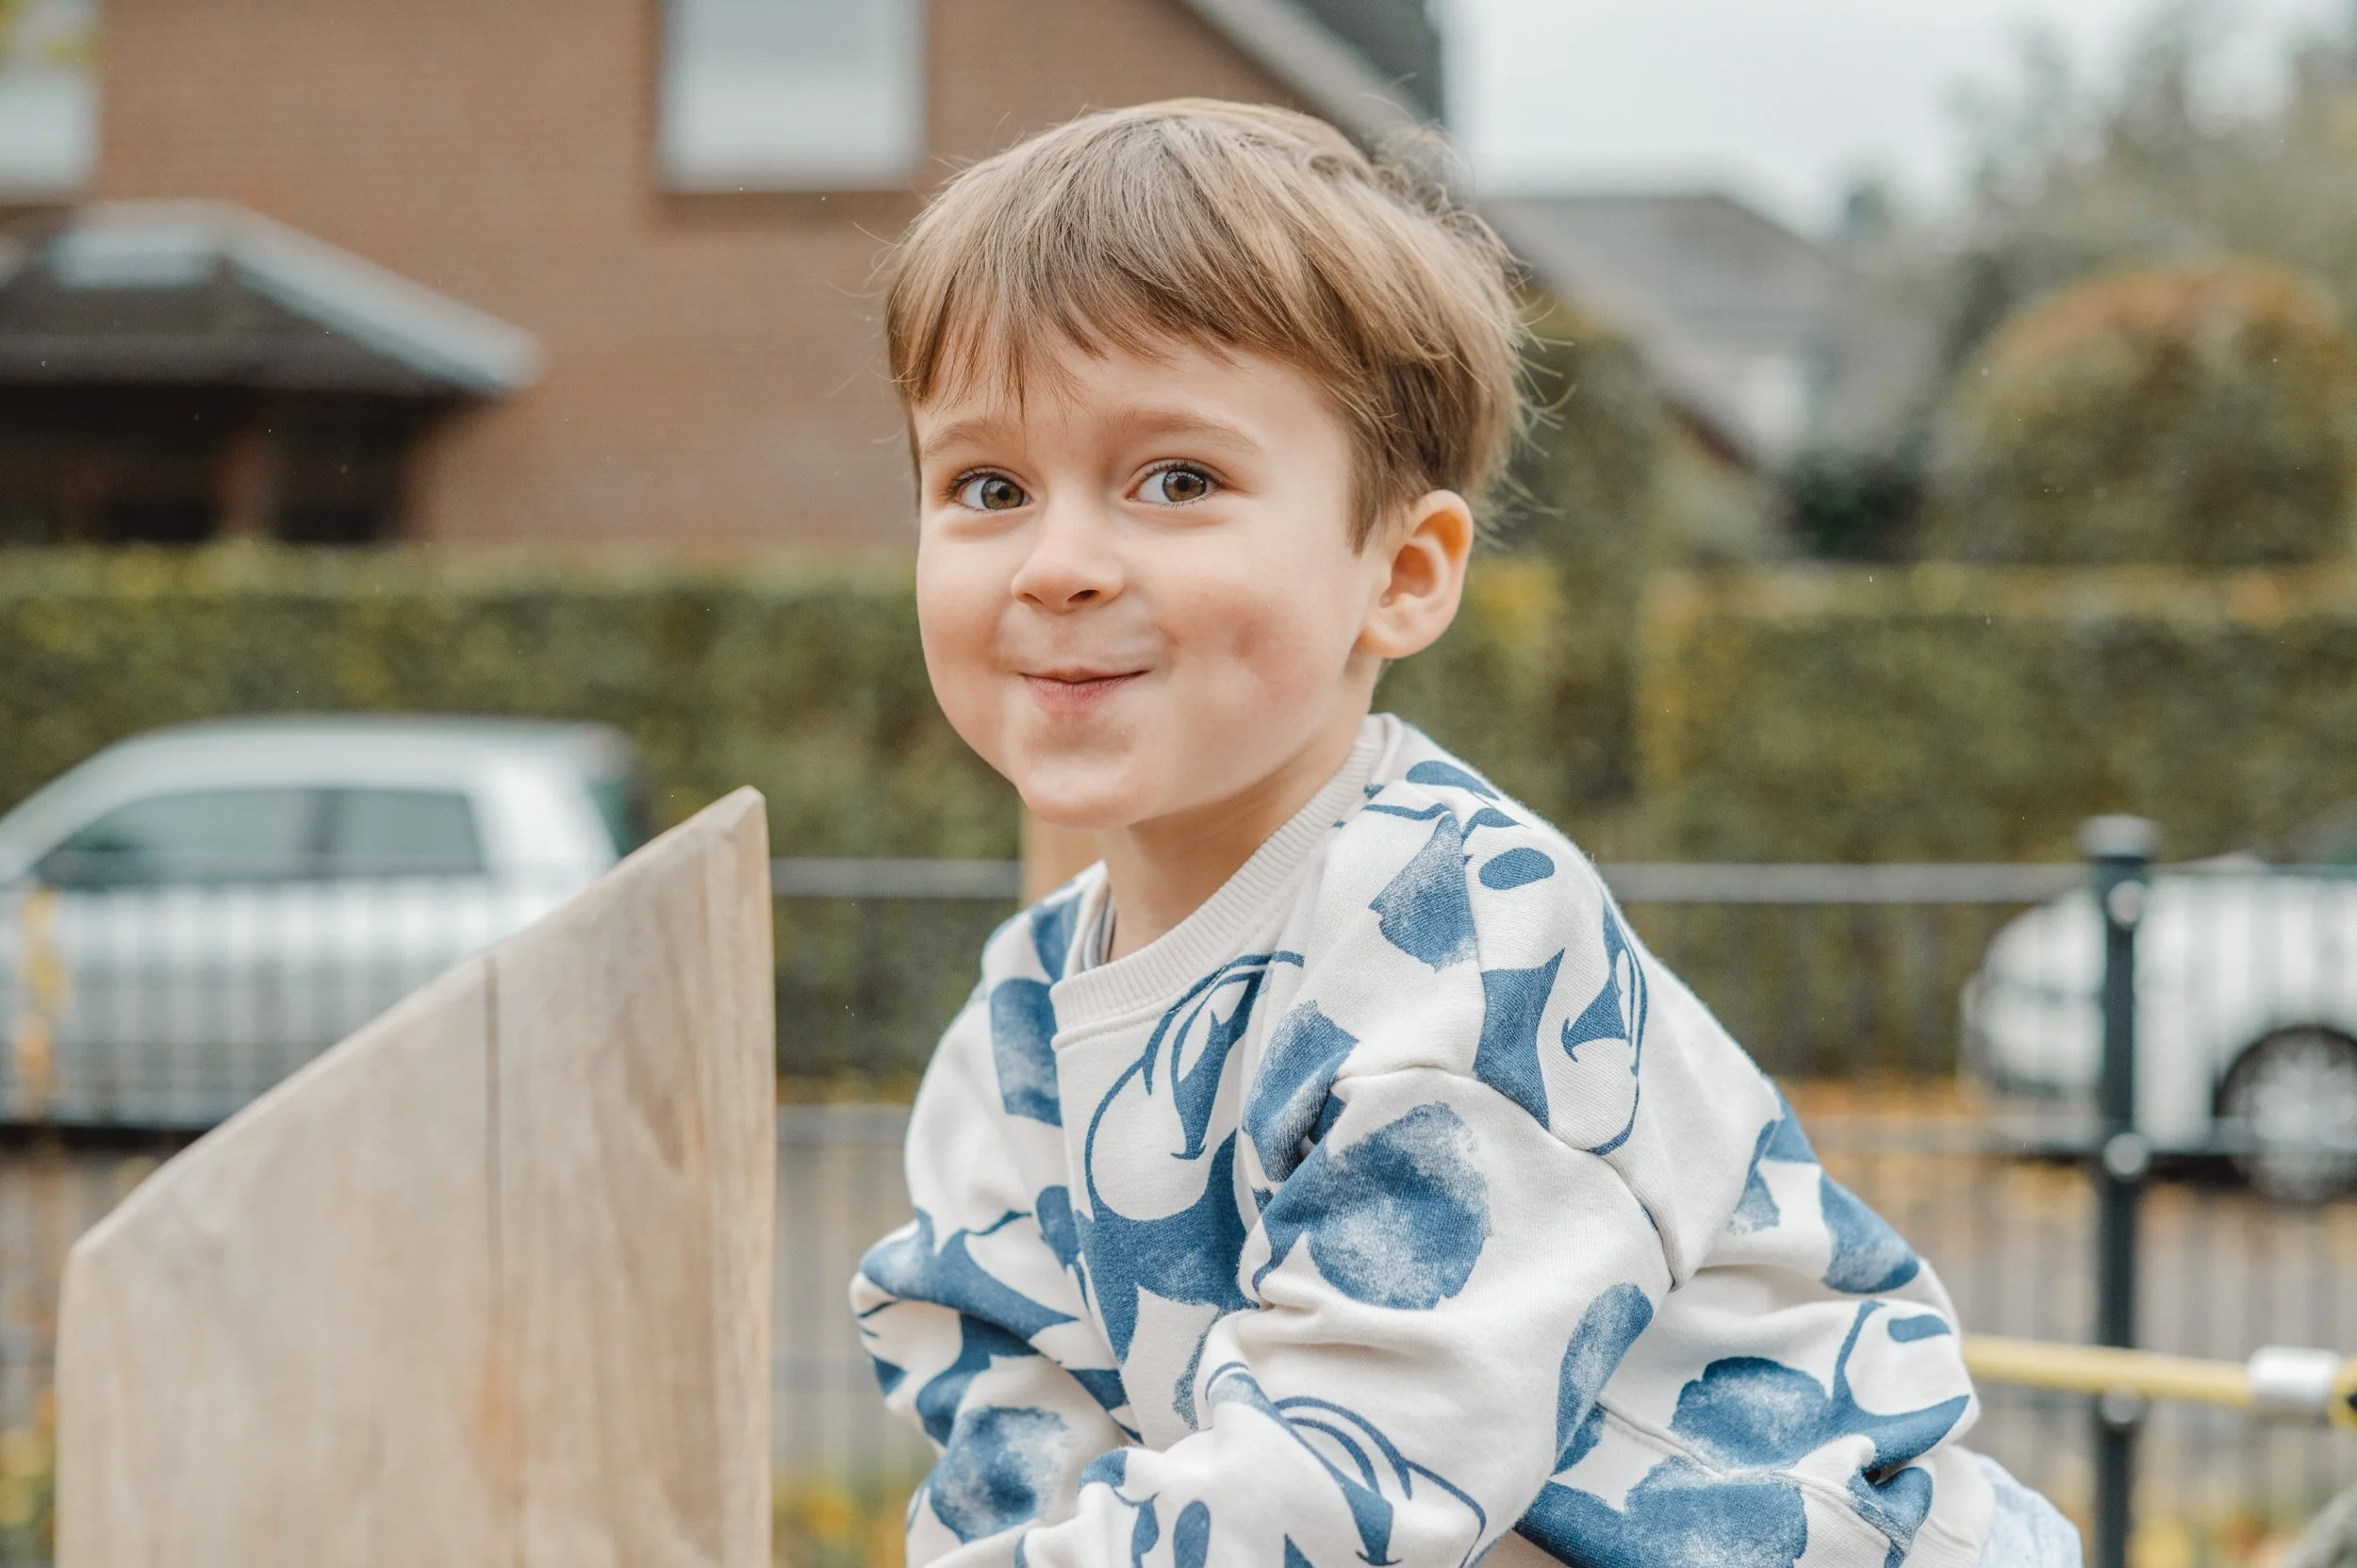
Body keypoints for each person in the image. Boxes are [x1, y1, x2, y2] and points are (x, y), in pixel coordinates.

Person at [851, 98, 2078, 1568]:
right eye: (987, 485)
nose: (1056, 563)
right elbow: (1003, 1433)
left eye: (1176, 479)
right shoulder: (1015, 1043)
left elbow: (1342, 1482)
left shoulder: (1461, 934)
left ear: (1406, 572)